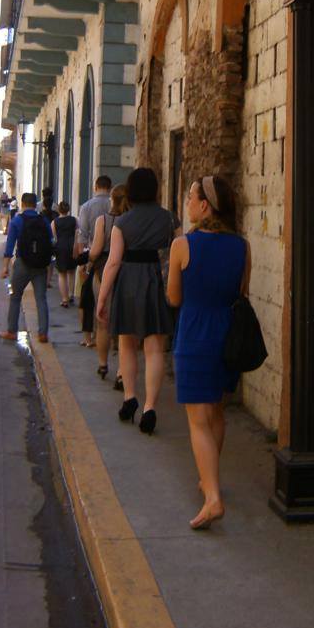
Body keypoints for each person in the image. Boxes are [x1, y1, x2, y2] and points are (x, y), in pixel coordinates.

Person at [166, 176, 251, 530]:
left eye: (190, 197)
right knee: (216, 411)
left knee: (197, 420)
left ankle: (213, 498)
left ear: (205, 206)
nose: (187, 203)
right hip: (227, 336)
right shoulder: (242, 247)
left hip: (195, 335)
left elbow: (174, 298)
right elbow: (242, 291)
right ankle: (209, 479)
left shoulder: (182, 245)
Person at [97, 167, 180, 435]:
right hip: (157, 282)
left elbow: (112, 263)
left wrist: (102, 298)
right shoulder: (170, 220)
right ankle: (150, 407)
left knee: (127, 344)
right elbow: (179, 255)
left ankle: (129, 397)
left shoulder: (122, 222)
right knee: (155, 348)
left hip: (129, 284)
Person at [76, 184, 126, 382]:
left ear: (112, 200)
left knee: (102, 320)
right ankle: (123, 370)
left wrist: (87, 260)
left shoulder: (103, 220)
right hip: (127, 271)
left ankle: (103, 364)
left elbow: (95, 250)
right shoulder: (130, 220)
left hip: (103, 270)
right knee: (124, 325)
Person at [0, 192, 53, 344]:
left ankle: (11, 331)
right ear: (35, 204)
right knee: (41, 299)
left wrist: (5, 267)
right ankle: (43, 333)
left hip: (22, 264)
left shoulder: (17, 220)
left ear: (22, 204)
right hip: (40, 266)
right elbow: (50, 241)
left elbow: (9, 246)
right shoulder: (44, 220)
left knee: (15, 297)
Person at [52, 201, 77, 307]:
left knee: (62, 274)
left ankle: (64, 299)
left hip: (60, 247)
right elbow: (77, 233)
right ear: (69, 209)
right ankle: (71, 294)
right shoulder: (74, 220)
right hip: (72, 246)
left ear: (59, 210)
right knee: (72, 272)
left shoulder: (55, 222)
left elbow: (54, 237)